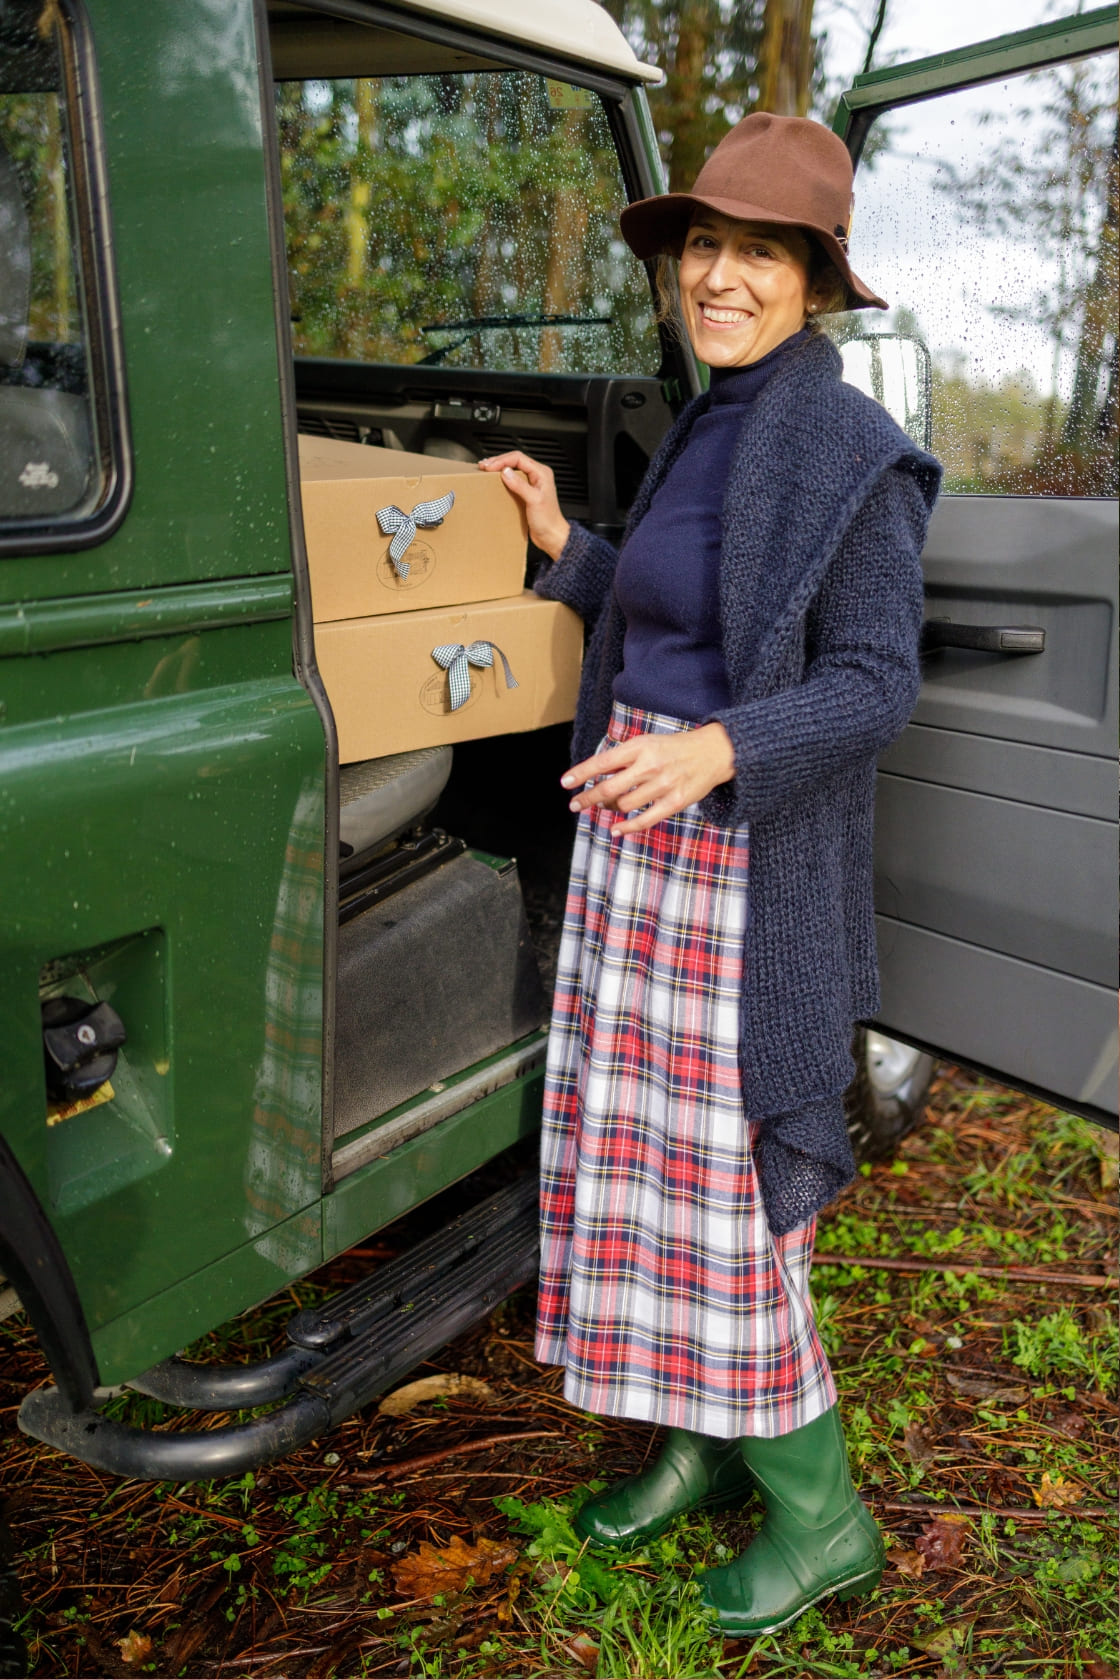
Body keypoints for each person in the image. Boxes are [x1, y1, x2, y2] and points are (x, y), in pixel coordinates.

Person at [479, 112, 941, 1638]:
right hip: (638, 850)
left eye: (756, 250)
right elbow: (684, 610)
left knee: (727, 1198)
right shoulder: (708, 420)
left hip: (738, 878)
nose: (718, 276)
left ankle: (825, 1517)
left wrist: (717, 752)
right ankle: (706, 1444)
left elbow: (876, 681)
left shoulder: (858, 457)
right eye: (701, 244)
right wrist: (567, 543)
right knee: (643, 1185)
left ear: (814, 276)